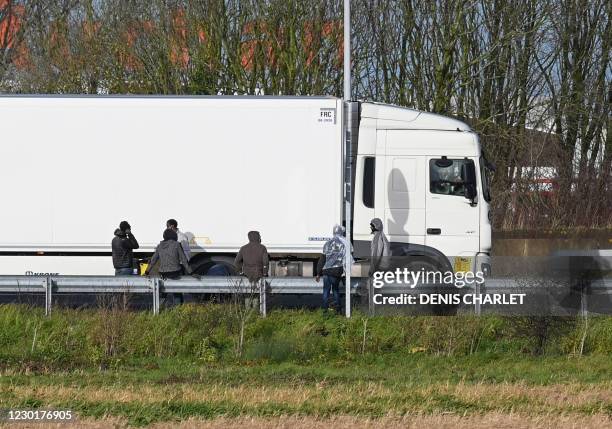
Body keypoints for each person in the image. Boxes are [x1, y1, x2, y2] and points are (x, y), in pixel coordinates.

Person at [315, 224, 351, 313]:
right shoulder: (343, 244)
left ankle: (324, 310)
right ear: (341, 232)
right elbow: (345, 260)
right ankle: (338, 309)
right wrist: (346, 273)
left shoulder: (327, 244)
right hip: (336, 271)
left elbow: (322, 260)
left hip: (326, 271)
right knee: (335, 290)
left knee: (326, 291)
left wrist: (318, 273)